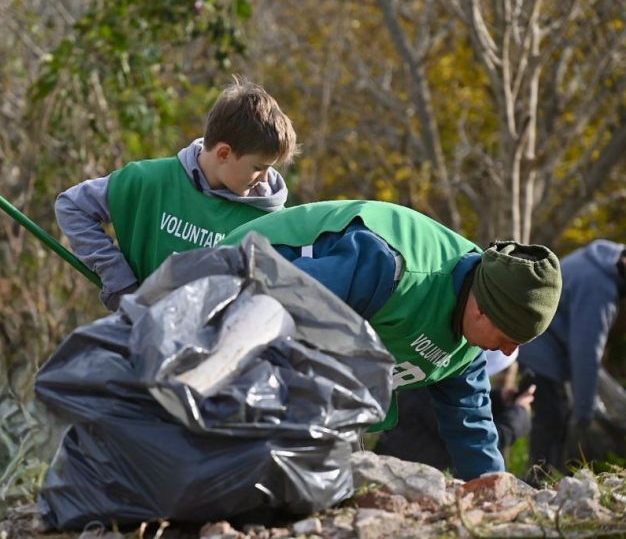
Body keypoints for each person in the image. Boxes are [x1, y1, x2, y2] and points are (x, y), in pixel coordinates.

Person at [219, 200, 562, 480]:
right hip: (232, 280)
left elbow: (470, 422)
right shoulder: (390, 268)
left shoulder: (468, 338)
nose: (507, 352)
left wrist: (493, 489)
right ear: (482, 310)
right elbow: (284, 312)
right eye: (506, 338)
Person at [55, 78, 298, 310]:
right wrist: (120, 283)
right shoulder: (151, 181)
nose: (265, 178)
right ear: (223, 153)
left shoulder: (271, 221)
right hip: (142, 337)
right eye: (258, 168)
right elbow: (72, 207)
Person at [518, 239, 626, 474]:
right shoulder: (599, 288)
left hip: (541, 344)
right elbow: (586, 354)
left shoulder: (604, 255)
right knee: (554, 419)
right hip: (539, 350)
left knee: (557, 417)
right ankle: (537, 484)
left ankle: (545, 478)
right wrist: (585, 414)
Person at [373, 350, 536, 473]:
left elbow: (468, 407)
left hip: (407, 459)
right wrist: (516, 418)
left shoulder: (437, 369)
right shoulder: (442, 386)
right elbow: (475, 438)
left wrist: (499, 399)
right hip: (405, 470)